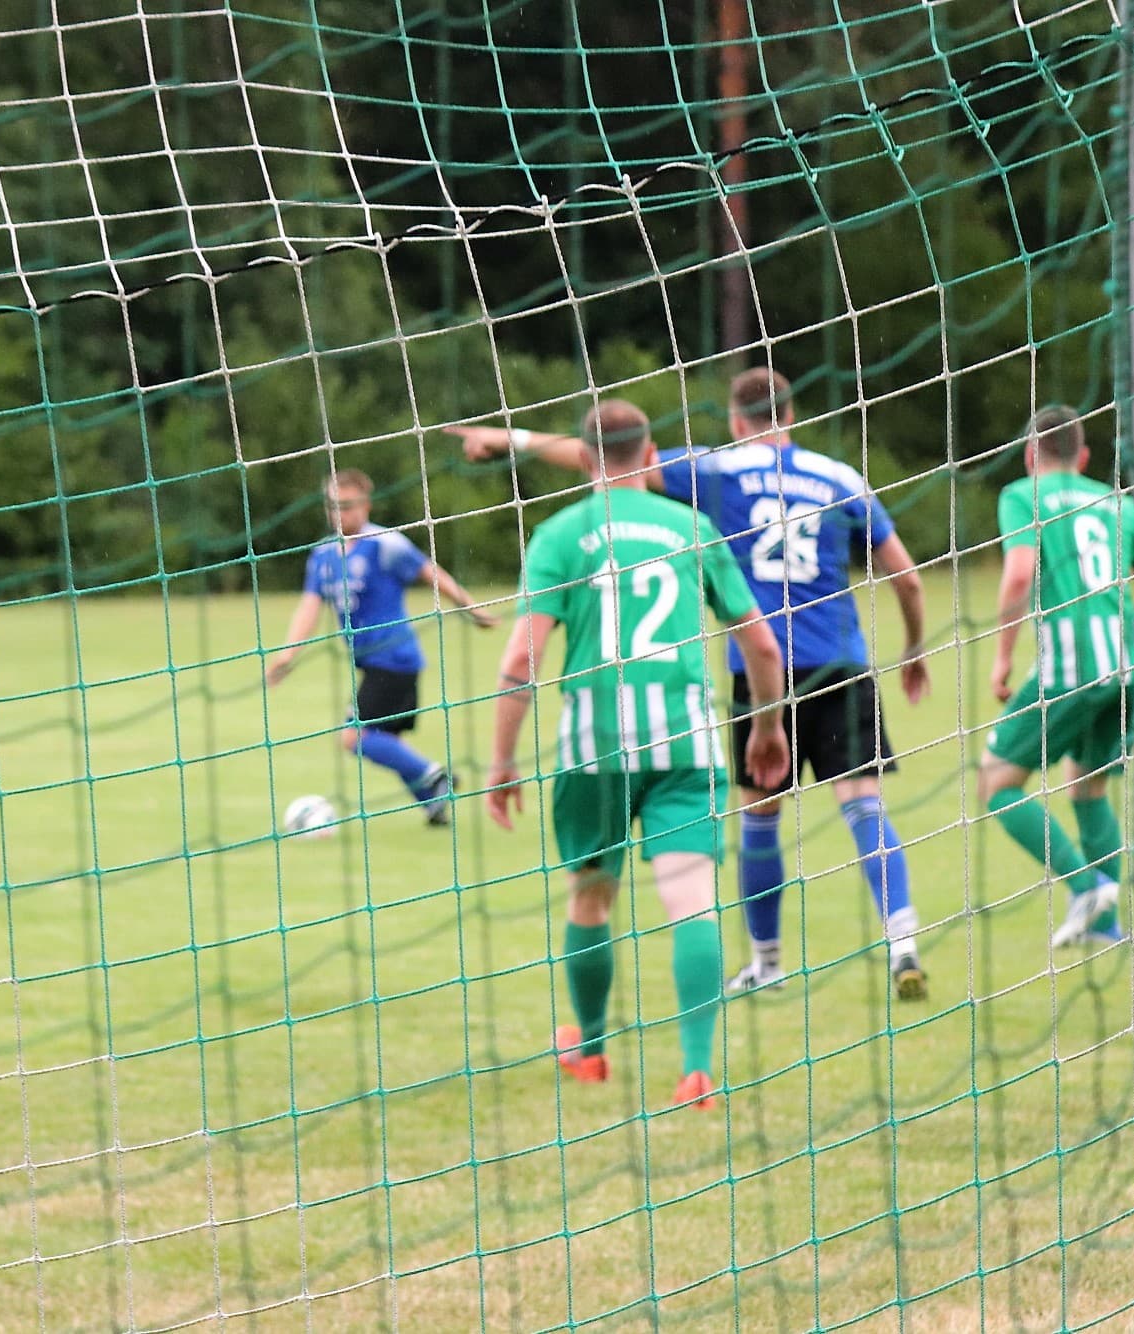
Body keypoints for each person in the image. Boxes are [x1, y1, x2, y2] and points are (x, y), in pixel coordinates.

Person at [451, 367, 933, 1001]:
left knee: (760, 813)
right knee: (863, 804)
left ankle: (766, 962)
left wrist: (508, 438)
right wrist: (916, 649)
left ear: (737, 420)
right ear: (791, 416)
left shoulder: (715, 468)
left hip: (760, 668)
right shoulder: (842, 479)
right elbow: (907, 577)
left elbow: (606, 458)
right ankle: (903, 942)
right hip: (841, 662)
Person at [484, 400, 789, 1109]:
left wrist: (501, 762)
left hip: (595, 750)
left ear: (587, 458)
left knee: (592, 897)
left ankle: (590, 1051)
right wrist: (766, 728)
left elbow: (521, 660)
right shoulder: (692, 527)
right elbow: (763, 645)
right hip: (686, 744)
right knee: (692, 903)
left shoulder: (561, 533)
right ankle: (695, 1070)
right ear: (649, 453)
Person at [980, 405, 1134, 950]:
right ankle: (1107, 927)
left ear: (1031, 453)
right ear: (1083, 457)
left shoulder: (1022, 494)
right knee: (1088, 787)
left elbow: (1018, 574)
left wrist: (1002, 657)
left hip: (1068, 665)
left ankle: (1086, 888)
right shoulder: (1118, 502)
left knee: (997, 781)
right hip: (1126, 666)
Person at [265, 469, 496, 825]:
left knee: (355, 737)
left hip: (395, 658)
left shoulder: (386, 544)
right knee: (384, 738)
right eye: (333, 507)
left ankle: (435, 775)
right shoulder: (323, 555)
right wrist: (287, 655)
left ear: (366, 505)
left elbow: (431, 573)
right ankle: (433, 804)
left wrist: (470, 607)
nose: (340, 515)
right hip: (372, 663)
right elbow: (309, 607)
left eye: (348, 506)